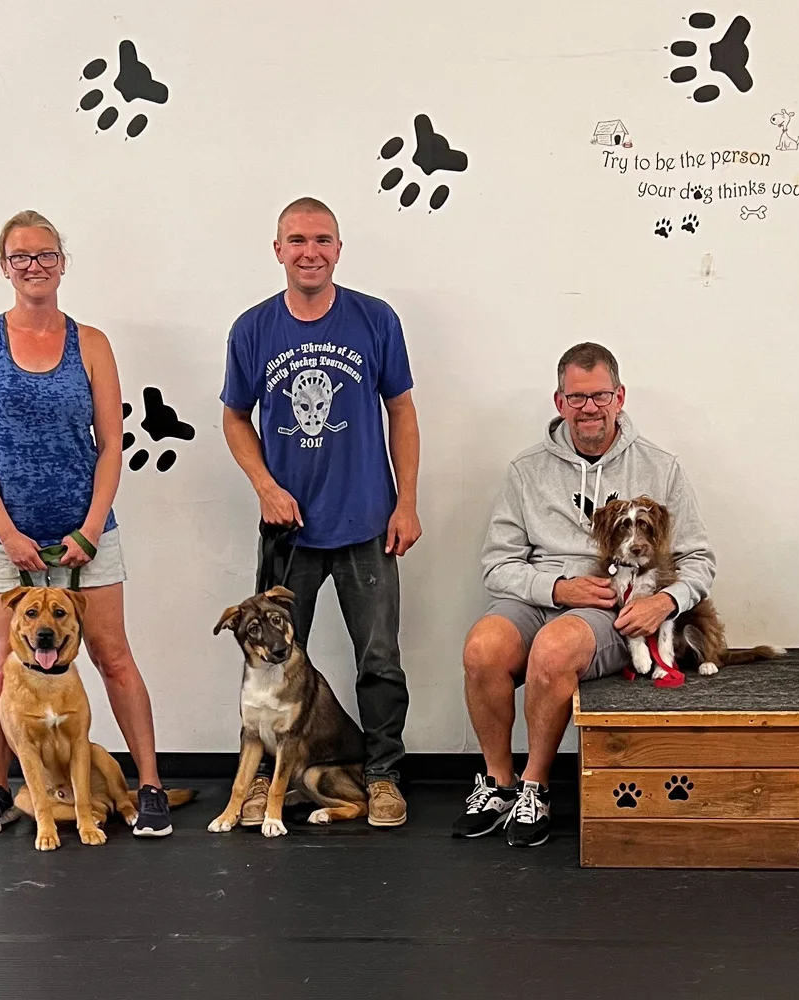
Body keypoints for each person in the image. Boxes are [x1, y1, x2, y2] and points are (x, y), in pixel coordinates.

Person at [0, 210, 174, 838]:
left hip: (87, 533)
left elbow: (112, 443)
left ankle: (149, 786)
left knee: (113, 656)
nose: (34, 265)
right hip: (3, 536)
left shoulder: (91, 343)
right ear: (4, 266)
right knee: (3, 663)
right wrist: (6, 532)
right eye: (20, 256)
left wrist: (91, 527)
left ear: (62, 262)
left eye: (45, 254)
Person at [456, 343, 716, 847]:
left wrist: (664, 603)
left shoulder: (661, 467)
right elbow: (497, 565)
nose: (589, 408)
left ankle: (535, 786)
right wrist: (556, 588)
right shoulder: (526, 470)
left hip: (611, 606)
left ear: (620, 397)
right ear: (560, 402)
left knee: (554, 649)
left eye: (600, 396)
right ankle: (498, 782)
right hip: (539, 593)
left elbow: (699, 560)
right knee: (482, 649)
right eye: (576, 398)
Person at [220, 197, 420, 828]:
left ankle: (381, 777)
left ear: (339, 249)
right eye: (298, 240)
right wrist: (264, 485)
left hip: (367, 523)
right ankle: (261, 782)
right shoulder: (252, 330)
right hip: (288, 531)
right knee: (269, 656)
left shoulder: (375, 319)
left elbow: (402, 412)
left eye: (323, 240)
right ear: (278, 250)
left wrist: (407, 502)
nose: (311, 252)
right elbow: (234, 417)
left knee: (379, 662)